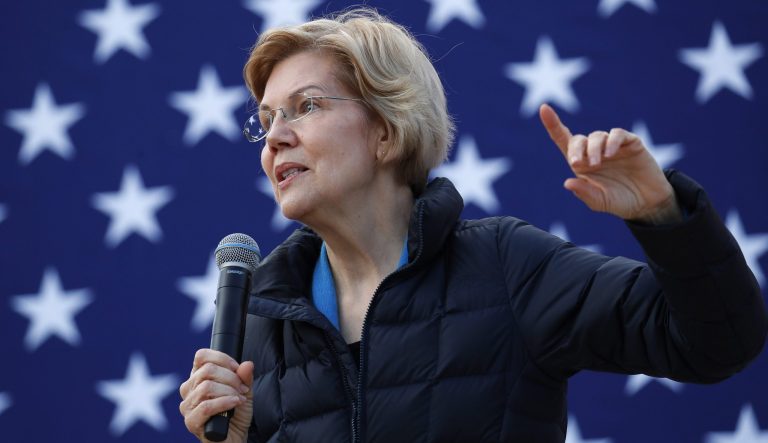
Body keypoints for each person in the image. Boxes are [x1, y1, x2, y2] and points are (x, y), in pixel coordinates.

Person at [178, 8, 767, 443]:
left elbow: (720, 343)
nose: (275, 136)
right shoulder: (264, 320)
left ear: (387, 130)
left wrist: (664, 216)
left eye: (306, 107)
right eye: (265, 119)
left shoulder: (507, 267)